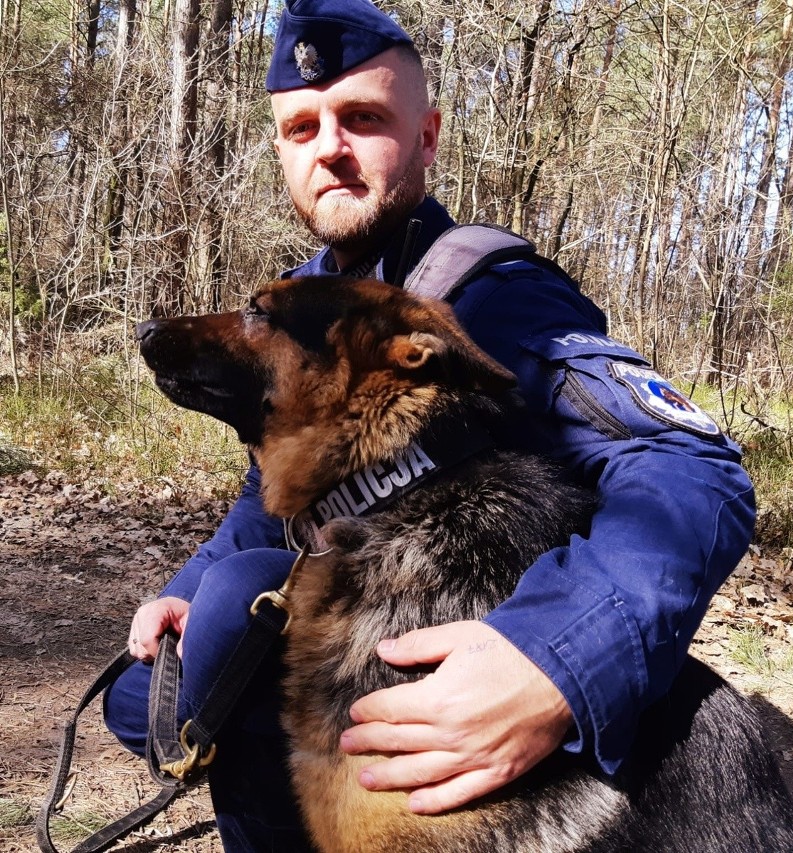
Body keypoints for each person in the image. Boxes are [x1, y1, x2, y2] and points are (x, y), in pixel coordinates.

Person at [103, 1, 756, 850]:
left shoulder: (496, 298)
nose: (329, 149)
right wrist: (184, 586)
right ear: (281, 149)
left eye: (363, 118)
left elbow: (691, 467)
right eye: (302, 127)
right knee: (158, 677)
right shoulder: (311, 294)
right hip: (361, 627)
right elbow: (278, 500)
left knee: (234, 626)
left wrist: (554, 661)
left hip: (462, 654)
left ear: (426, 135)